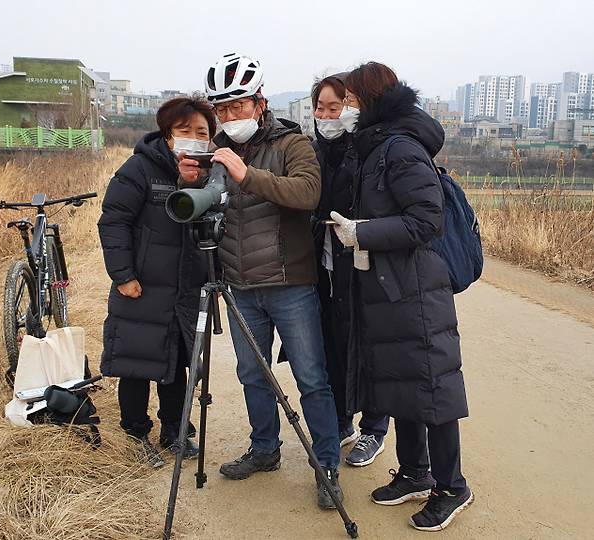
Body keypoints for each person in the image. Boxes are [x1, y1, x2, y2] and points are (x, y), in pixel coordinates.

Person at [179, 53, 343, 509]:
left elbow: (308, 194)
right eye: (222, 110)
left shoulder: (292, 144)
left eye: (238, 107)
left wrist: (246, 174)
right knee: (253, 374)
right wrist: (191, 181)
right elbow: (208, 209)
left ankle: (326, 463)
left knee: (312, 378)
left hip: (291, 283)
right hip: (239, 285)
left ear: (260, 102)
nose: (230, 118)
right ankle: (265, 449)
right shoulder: (215, 149)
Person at [330, 62, 474, 531]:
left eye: (350, 99)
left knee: (432, 387)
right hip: (388, 287)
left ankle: (452, 487)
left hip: (415, 287)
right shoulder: (375, 145)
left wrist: (364, 232)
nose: (345, 108)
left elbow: (426, 220)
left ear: (371, 100)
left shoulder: (401, 148)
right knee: (401, 385)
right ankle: (415, 472)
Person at [98, 97, 217, 467]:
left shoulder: (209, 173)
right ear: (167, 136)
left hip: (185, 289)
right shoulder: (139, 169)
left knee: (177, 365)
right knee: (137, 366)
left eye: (202, 133)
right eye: (185, 132)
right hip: (142, 288)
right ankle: (136, 434)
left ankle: (174, 430)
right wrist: (123, 275)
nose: (194, 139)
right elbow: (113, 221)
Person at [311, 73, 390, 467]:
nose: (327, 115)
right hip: (325, 264)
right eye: (320, 107)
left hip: (361, 264)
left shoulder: (364, 149)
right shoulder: (313, 150)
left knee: (367, 347)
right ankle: (342, 420)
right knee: (332, 346)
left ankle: (374, 428)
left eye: (335, 106)